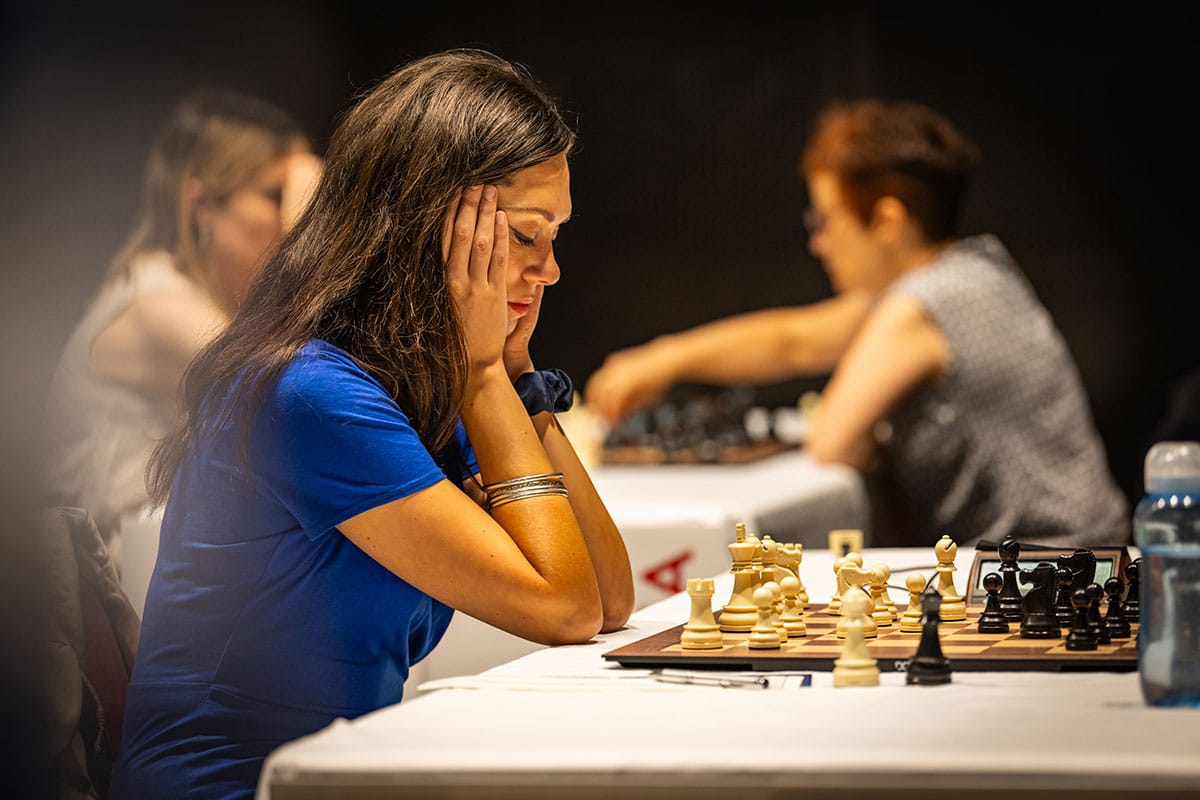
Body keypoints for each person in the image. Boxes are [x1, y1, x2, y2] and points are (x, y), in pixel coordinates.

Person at [111, 49, 635, 800]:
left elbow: (610, 596)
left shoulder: (419, 381)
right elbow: (566, 606)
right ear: (430, 227)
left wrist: (516, 373)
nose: (549, 269)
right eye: (524, 236)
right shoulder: (305, 392)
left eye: (557, 235)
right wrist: (486, 373)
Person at [585, 98, 1129, 548]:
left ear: (888, 220)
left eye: (825, 219)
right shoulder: (975, 268)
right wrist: (668, 357)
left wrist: (870, 432)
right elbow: (794, 340)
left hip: (1056, 567)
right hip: (1096, 548)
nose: (817, 242)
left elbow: (832, 440)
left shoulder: (922, 304)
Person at [39, 87, 322, 561]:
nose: (295, 214)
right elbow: (308, 397)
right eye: (277, 195)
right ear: (203, 205)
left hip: (144, 572)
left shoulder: (204, 301)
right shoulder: (156, 305)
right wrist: (313, 240)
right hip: (100, 598)